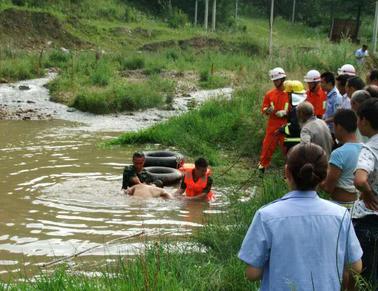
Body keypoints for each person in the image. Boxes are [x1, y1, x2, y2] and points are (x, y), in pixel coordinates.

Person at [238, 143, 362, 291]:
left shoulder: (266, 216)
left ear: (287, 172)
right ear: (323, 175)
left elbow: (252, 274)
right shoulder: (341, 215)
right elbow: (356, 266)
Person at [353, 98, 378, 286]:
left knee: (366, 278)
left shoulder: (369, 148)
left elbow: (360, 179)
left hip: (369, 219)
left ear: (365, 121)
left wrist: (368, 192)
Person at [320, 109, 361, 210]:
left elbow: (328, 187)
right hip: (360, 204)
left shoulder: (338, 153)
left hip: (341, 205)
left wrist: (316, 179)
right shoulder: (365, 149)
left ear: (338, 127)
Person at [258, 67, 289, 173]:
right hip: (272, 127)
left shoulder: (290, 93)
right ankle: (261, 171)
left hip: (286, 127)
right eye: (274, 80)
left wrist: (287, 113)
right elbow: (264, 108)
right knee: (266, 150)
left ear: (283, 79)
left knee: (288, 151)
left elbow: (297, 110)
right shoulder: (270, 94)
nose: (275, 82)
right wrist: (268, 110)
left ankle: (288, 174)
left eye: (277, 80)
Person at [278, 80, 306, 152]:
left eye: (288, 94)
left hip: (294, 144)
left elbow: (295, 127)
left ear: (292, 95)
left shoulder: (296, 109)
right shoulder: (304, 105)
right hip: (303, 142)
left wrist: (282, 129)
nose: (287, 96)